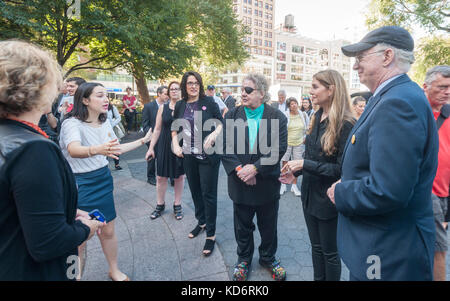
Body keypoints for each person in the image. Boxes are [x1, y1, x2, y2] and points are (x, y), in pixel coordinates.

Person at [327, 26, 439, 281]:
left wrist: (341, 191)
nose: (356, 67)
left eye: (361, 58)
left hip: (388, 251)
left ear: (387, 56)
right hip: (385, 246)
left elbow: (388, 190)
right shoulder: (394, 96)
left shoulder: (396, 103)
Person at [0, 40, 104, 280]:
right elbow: (48, 243)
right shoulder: (33, 149)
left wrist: (61, 209)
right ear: (38, 86)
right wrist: (85, 228)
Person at [60, 82, 152, 281]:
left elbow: (115, 149)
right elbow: (73, 149)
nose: (106, 99)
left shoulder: (104, 123)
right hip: (78, 184)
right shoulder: (71, 124)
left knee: (108, 230)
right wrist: (98, 149)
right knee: (78, 239)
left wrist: (144, 140)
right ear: (85, 100)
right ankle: (74, 277)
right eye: (100, 95)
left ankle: (114, 270)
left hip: (102, 180)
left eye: (106, 95)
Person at [280, 70, 355, 281]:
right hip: (309, 195)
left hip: (328, 200)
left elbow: (342, 171)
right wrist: (296, 171)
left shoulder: (345, 123)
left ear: (331, 90)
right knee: (316, 248)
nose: (310, 92)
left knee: (330, 253)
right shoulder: (315, 115)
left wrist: (304, 163)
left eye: (315, 87)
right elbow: (314, 158)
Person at [222, 73, 288, 281]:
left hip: (266, 184)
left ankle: (268, 258)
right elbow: (224, 147)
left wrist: (256, 169)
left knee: (268, 226)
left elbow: (278, 149)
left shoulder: (278, 117)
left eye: (248, 90)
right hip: (240, 183)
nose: (243, 93)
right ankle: (243, 259)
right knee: (242, 226)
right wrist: (242, 170)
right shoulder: (232, 115)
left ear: (261, 93)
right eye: (242, 89)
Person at [171, 71, 223, 256]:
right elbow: (175, 129)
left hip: (208, 157)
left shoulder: (209, 102)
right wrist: (175, 144)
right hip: (188, 156)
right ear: (185, 85)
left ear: (200, 85)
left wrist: (213, 135)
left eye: (196, 83)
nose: (193, 86)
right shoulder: (180, 105)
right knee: (195, 191)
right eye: (190, 83)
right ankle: (201, 222)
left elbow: (220, 123)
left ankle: (211, 234)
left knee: (208, 194)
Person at [423, 65, 450, 281]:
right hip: (425, 190)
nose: (448, 91)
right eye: (443, 87)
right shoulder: (415, 112)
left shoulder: (448, 114)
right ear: (426, 87)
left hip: (444, 193)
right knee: (438, 249)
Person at [146, 81, 185, 220]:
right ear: (168, 92)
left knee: (179, 176)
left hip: (180, 144)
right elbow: (157, 129)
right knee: (160, 177)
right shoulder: (163, 108)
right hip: (163, 144)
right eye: (172, 89)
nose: (174, 91)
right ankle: (160, 204)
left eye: (177, 88)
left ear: (181, 91)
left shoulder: (186, 107)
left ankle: (177, 204)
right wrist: (151, 148)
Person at [279, 97, 309, 197]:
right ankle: (283, 184)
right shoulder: (286, 115)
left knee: (296, 165)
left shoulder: (303, 114)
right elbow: (282, 128)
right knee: (285, 163)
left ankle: (294, 186)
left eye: (295, 103)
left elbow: (307, 127)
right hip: (287, 142)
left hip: (299, 143)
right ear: (289, 106)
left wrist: (305, 137)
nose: (294, 105)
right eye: (291, 104)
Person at [142, 86, 168, 185]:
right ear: (159, 94)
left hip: (165, 137)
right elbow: (145, 124)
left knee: (165, 158)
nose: (167, 96)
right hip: (152, 137)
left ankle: (168, 176)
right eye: (165, 94)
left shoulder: (169, 105)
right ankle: (151, 177)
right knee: (152, 158)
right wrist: (150, 136)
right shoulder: (148, 106)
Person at [107, 100, 123, 170]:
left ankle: (117, 164)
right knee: (104, 147)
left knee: (115, 146)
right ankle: (105, 165)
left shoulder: (112, 108)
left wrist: (112, 124)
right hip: (101, 130)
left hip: (112, 130)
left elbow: (118, 118)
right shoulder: (96, 108)